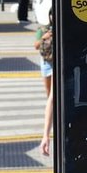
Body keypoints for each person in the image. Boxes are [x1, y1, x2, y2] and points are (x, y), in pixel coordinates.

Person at [35, 19, 55, 157]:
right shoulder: (43, 29)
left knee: (52, 97)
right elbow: (36, 45)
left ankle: (51, 108)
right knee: (50, 95)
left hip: (55, 62)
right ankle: (51, 109)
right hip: (46, 62)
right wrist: (45, 37)